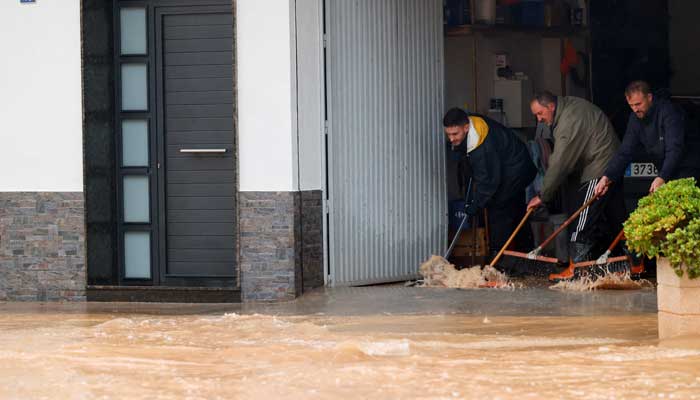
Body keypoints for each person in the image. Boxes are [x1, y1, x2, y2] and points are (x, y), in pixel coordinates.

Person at [527, 91, 625, 262]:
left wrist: (543, 195)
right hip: (609, 163)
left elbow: (559, 163)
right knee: (617, 218)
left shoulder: (568, 120)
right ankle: (633, 262)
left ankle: (577, 269)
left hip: (599, 166)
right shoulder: (570, 106)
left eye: (540, 113)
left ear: (551, 106)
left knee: (582, 222)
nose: (539, 119)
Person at [443, 108, 537, 260]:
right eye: (448, 134)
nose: (451, 139)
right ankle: (526, 256)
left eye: (455, 134)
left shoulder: (481, 145)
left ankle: (499, 262)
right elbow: (472, 171)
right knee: (515, 212)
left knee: (498, 210)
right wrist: (469, 199)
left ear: (466, 128)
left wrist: (476, 204)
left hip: (515, 170)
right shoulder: (470, 125)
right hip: (509, 166)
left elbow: (488, 183)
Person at [594, 81, 700, 197]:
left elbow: (674, 149)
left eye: (638, 104)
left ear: (649, 97)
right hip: (667, 168)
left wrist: (662, 177)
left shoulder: (669, 112)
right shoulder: (635, 118)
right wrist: (607, 176)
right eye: (631, 105)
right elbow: (625, 151)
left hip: (687, 166)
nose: (635, 109)